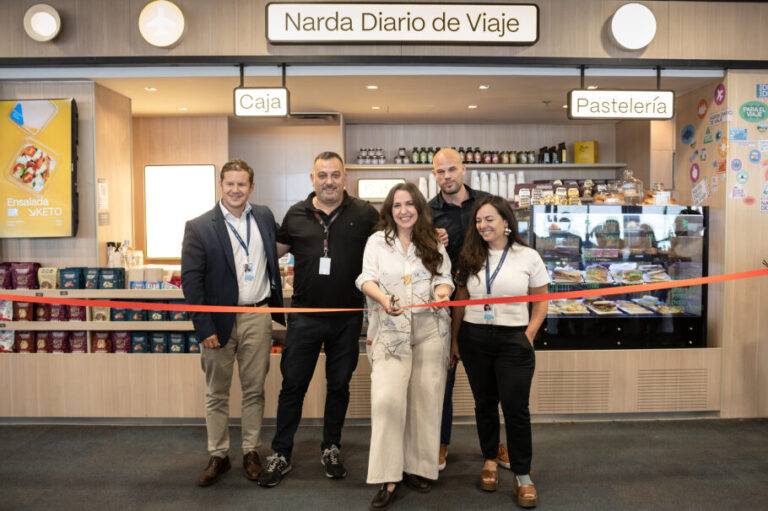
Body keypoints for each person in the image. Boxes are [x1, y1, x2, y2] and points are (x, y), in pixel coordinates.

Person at [258, 151, 379, 487]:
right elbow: (271, 251)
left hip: (348, 317)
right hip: (305, 317)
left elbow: (393, 242)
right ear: (312, 178)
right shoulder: (296, 214)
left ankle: (331, 447)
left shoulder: (365, 213)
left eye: (335, 175)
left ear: (345, 177)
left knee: (339, 385)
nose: (329, 181)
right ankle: (281, 453)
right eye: (322, 175)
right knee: (292, 385)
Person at [181, 158, 285, 487]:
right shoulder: (199, 226)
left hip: (258, 315)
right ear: (221, 186)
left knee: (254, 390)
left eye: (242, 184)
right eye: (230, 184)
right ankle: (219, 455)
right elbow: (191, 281)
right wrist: (204, 328)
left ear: (251, 187)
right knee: (217, 392)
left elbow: (284, 246)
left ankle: (252, 451)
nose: (236, 190)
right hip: (218, 321)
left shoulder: (265, 216)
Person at [356, 182, 453, 510]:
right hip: (390, 335)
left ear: (420, 208)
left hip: (429, 333)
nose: (404, 210)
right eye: (397, 205)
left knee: (426, 401)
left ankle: (418, 468)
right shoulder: (376, 242)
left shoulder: (433, 241)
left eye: (410, 204)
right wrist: (383, 299)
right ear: (389, 210)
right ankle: (388, 475)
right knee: (387, 402)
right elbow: (365, 278)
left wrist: (442, 294)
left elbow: (445, 278)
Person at [451, 195, 550, 508]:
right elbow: (461, 302)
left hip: (513, 340)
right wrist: (455, 341)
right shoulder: (469, 255)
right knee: (484, 403)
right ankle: (490, 460)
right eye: (479, 221)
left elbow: (541, 299)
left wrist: (530, 334)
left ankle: (522, 474)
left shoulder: (528, 256)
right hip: (475, 337)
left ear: (507, 222)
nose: (483, 225)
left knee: (516, 407)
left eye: (489, 219)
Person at [428, 147, 510, 471]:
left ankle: (493, 448)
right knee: (442, 385)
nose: (446, 176)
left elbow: (506, 239)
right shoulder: (427, 212)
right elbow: (417, 253)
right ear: (434, 174)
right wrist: (431, 240)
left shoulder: (486, 203)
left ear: (464, 168)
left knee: (488, 387)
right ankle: (440, 443)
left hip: (483, 306)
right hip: (444, 307)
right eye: (440, 171)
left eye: (451, 169)